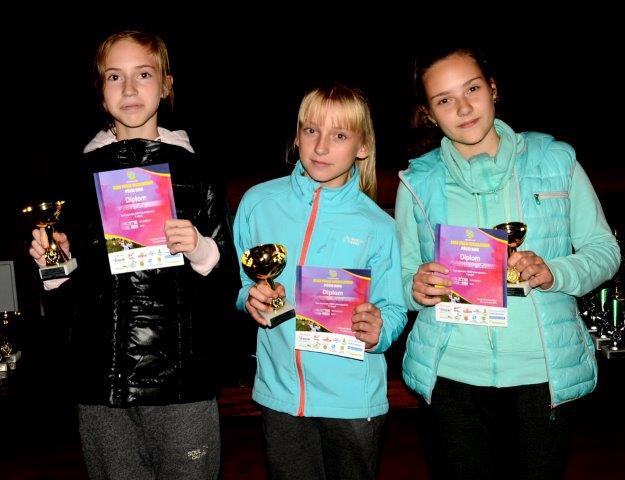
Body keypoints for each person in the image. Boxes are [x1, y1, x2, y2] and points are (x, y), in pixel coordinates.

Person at [395, 46, 621, 479]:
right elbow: (402, 277)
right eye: (444, 99)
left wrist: (555, 272)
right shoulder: (417, 181)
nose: (463, 108)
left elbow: (604, 249)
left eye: (472, 89)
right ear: (429, 114)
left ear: (493, 89)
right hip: (452, 376)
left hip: (541, 374)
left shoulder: (555, 160)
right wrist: (414, 287)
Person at [28, 30, 235, 480]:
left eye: (143, 74)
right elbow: (63, 300)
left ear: (166, 84)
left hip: (182, 383)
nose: (128, 89)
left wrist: (201, 249)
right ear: (100, 90)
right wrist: (54, 266)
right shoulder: (76, 178)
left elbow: (228, 284)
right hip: (101, 383)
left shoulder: (199, 171)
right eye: (114, 77)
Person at [233, 82, 407, 480]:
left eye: (340, 135)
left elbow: (394, 308)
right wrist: (250, 298)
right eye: (311, 130)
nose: (321, 146)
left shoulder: (378, 226)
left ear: (362, 147)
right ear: (297, 136)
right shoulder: (258, 203)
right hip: (281, 395)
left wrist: (378, 330)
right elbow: (241, 282)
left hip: (352, 402)